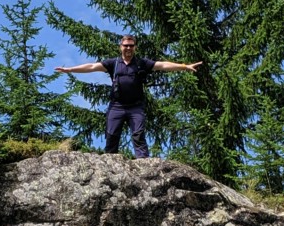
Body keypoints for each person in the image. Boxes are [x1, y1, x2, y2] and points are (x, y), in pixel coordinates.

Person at [55, 36, 202, 158]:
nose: (128, 48)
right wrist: (70, 69)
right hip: (116, 106)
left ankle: (144, 164)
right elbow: (92, 67)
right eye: (126, 45)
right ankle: (109, 164)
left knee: (139, 136)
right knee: (112, 137)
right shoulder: (113, 63)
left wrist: (184, 67)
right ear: (121, 47)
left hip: (136, 107)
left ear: (135, 47)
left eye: (131, 46)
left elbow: (162, 65)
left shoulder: (141, 63)